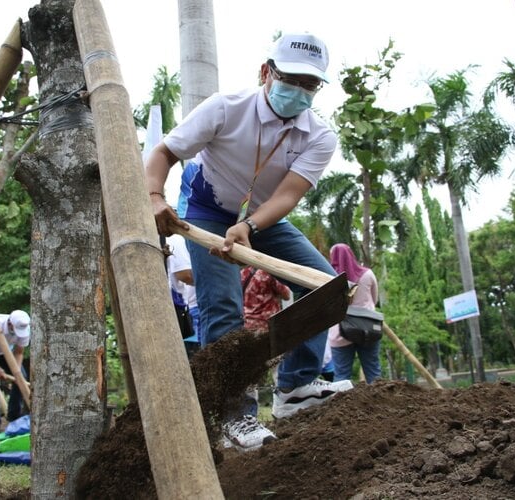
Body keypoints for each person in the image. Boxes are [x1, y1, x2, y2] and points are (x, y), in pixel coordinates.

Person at [145, 32, 353, 451]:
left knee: (326, 286)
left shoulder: (319, 136)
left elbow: (288, 195)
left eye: (309, 85)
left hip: (260, 217)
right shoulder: (226, 108)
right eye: (290, 78)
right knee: (222, 305)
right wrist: (153, 197)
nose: (298, 90)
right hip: (206, 205)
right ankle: (233, 417)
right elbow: (164, 153)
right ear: (266, 72)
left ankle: (294, 389)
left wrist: (250, 228)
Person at [327, 243, 382, 383]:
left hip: (340, 331)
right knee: (373, 372)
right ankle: (380, 403)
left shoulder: (329, 278)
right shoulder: (368, 274)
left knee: (341, 376)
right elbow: (374, 299)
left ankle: (341, 404)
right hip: (368, 329)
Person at [0, 310, 31, 432]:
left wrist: (16, 373)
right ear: (10, 323)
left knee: (22, 378)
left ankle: (13, 418)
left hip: (6, 353)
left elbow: (19, 352)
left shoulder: (26, 330)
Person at [166, 233, 202, 355]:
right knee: (196, 355)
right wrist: (211, 281)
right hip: (190, 308)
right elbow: (184, 274)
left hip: (184, 307)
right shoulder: (175, 238)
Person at [241, 266, 291, 333]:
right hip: (266, 324)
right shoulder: (269, 273)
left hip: (246, 323)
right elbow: (287, 295)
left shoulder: (243, 272)